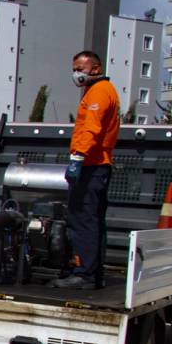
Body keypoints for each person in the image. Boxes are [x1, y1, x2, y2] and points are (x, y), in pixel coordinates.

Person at [51, 50, 120, 290]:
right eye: (74, 68)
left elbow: (91, 128)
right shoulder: (102, 91)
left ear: (96, 68)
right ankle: (93, 273)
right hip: (98, 165)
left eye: (80, 68)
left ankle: (84, 274)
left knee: (82, 220)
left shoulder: (99, 93)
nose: (76, 73)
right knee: (94, 222)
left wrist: (77, 158)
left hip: (91, 165)